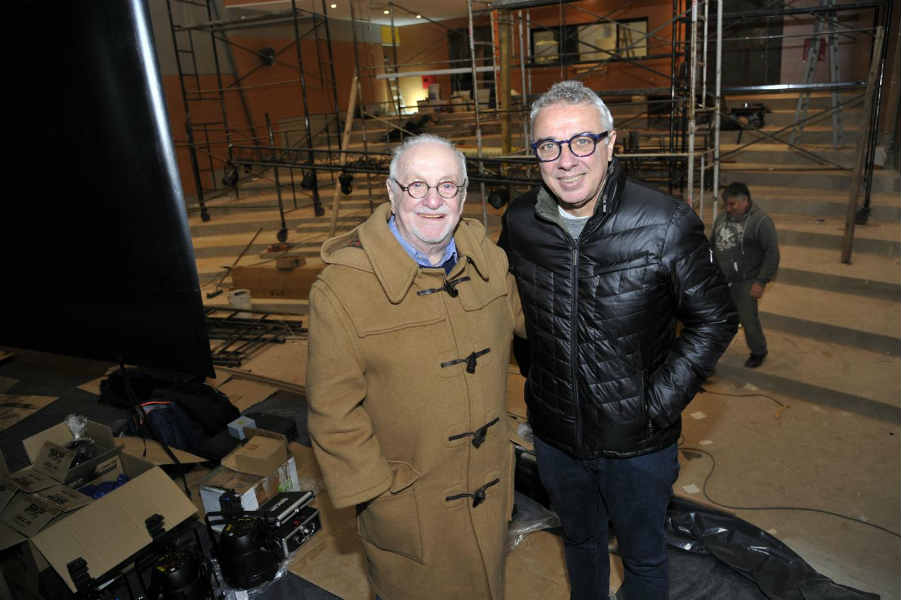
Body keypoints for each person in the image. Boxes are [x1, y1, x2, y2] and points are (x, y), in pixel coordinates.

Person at [500, 80, 738, 600]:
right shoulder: (519, 222)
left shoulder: (664, 222)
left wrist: (654, 404)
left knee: (644, 560)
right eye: (549, 146)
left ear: (612, 143)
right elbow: (515, 307)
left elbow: (715, 319)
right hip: (557, 437)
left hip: (638, 447)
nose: (566, 160)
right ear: (535, 155)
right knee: (580, 543)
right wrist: (538, 380)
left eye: (582, 140)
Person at [306, 134, 524, 600]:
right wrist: (380, 495)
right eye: (417, 186)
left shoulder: (487, 261)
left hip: (487, 495)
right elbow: (332, 414)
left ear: (464, 196)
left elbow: (539, 323)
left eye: (447, 186)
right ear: (390, 192)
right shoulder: (342, 290)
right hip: (412, 512)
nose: (432, 200)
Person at [710, 182, 780, 368]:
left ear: (745, 201)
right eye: (727, 204)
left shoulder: (761, 221)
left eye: (733, 204)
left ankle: (758, 351)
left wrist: (761, 281)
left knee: (748, 319)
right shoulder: (721, 218)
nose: (728, 208)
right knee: (716, 318)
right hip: (723, 278)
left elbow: (772, 254)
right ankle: (711, 355)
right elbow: (712, 245)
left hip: (747, 279)